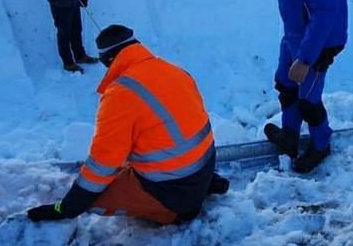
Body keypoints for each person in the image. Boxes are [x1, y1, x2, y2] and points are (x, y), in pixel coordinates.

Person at [27, 25, 226, 225]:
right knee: (127, 160)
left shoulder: (120, 94)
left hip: (173, 192)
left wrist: (68, 207)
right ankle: (203, 187)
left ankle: (175, 212)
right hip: (204, 170)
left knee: (95, 199)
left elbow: (103, 163)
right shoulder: (174, 70)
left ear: (108, 60)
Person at [239, 0, 348, 173]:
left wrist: (305, 59)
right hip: (296, 32)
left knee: (308, 97)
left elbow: (325, 13)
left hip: (319, 41)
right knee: (285, 83)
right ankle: (290, 135)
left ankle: (321, 143)